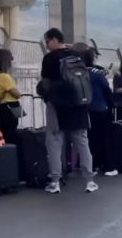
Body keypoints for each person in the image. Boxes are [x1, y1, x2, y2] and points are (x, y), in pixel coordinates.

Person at [38, 28, 98, 194]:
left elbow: (45, 83)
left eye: (47, 41)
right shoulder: (77, 55)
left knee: (54, 141)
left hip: (57, 106)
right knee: (82, 142)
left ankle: (55, 181)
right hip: (78, 105)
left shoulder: (49, 58)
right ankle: (89, 181)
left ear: (54, 40)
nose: (47, 45)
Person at [72, 43, 117, 177]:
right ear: (93, 59)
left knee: (90, 139)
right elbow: (106, 90)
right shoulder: (97, 74)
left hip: (86, 109)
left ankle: (93, 165)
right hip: (101, 109)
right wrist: (112, 105)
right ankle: (109, 167)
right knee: (105, 138)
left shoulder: (80, 74)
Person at [0, 49, 21, 145]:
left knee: (0, 136)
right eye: (10, 59)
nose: (12, 61)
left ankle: (3, 155)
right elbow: (17, 94)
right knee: (10, 135)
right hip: (7, 110)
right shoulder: (4, 77)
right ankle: (14, 157)